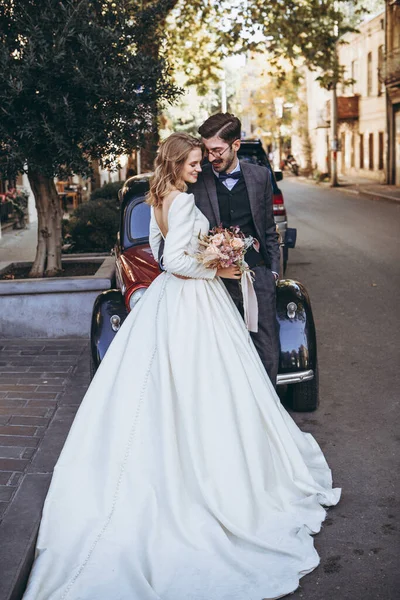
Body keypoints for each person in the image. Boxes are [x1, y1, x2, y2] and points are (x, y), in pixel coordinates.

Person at [22, 133, 340, 600]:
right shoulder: (184, 201)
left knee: (164, 384)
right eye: (193, 162)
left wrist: (210, 255)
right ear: (176, 163)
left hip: (167, 305)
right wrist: (219, 266)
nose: (199, 168)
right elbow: (172, 262)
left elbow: (155, 249)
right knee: (209, 384)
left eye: (200, 161)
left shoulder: (156, 200)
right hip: (192, 299)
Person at [190, 113, 280, 386]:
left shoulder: (260, 176)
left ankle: (268, 411)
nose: (210, 157)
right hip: (215, 280)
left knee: (266, 344)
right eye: (207, 150)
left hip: (258, 275)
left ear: (236, 145)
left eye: (216, 150)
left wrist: (273, 274)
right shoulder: (197, 178)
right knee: (221, 349)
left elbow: (268, 229)